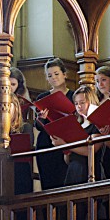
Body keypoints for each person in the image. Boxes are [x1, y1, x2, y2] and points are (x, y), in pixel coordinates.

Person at [34, 57, 73, 190]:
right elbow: (38, 125)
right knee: (47, 183)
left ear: (64, 74)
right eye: (50, 75)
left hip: (66, 141)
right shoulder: (42, 97)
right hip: (46, 143)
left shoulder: (73, 96)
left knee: (65, 182)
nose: (54, 78)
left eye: (56, 74)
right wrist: (41, 118)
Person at [52, 84, 103, 186]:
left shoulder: (97, 124)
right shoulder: (76, 125)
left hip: (89, 171)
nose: (79, 106)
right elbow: (68, 159)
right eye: (76, 103)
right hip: (73, 169)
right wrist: (65, 149)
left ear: (91, 102)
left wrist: (66, 145)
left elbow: (91, 151)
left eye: (82, 103)